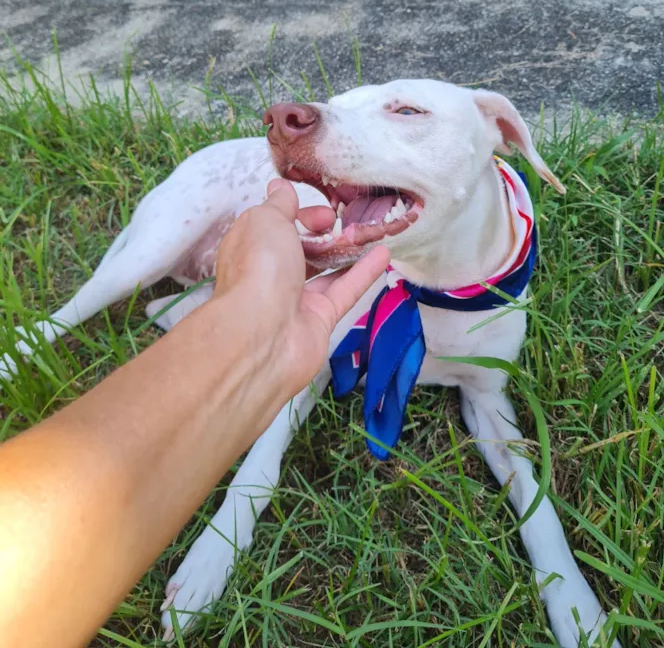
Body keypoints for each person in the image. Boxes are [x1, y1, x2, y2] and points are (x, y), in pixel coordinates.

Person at [0, 179, 389, 648]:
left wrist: (245, 322)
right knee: (130, 271)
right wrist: (246, 312)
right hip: (230, 199)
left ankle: (181, 310)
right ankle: (39, 335)